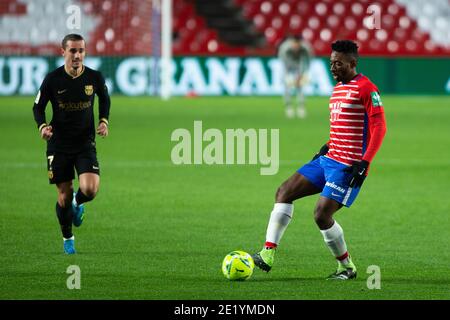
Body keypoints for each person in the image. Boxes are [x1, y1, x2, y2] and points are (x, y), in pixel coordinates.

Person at [252, 40, 387, 280]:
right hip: (329, 157)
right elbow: (343, 125)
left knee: (321, 215)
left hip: (348, 166)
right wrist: (327, 145)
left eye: (339, 63)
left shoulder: (366, 88)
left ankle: (347, 267)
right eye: (331, 63)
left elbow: (379, 127)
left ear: (353, 63)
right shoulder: (338, 89)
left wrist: (365, 162)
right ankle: (268, 253)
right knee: (284, 191)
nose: (333, 68)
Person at [33, 34, 111, 254]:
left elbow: (105, 99)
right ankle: (68, 237)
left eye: (81, 51)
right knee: (64, 196)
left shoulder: (94, 77)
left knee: (90, 189)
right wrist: (42, 126)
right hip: (58, 145)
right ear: (63, 52)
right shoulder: (53, 79)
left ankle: (79, 203)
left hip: (85, 143)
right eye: (73, 51)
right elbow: (37, 107)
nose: (78, 55)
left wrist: (104, 120)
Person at [277, 35, 313, 119]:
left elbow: (308, 61)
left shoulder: (306, 48)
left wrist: (302, 74)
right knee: (287, 86)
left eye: (297, 44)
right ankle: (288, 107)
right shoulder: (285, 49)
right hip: (287, 66)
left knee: (300, 86)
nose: (296, 46)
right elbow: (283, 62)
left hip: (299, 65)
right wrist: (287, 76)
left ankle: (301, 107)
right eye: (294, 44)